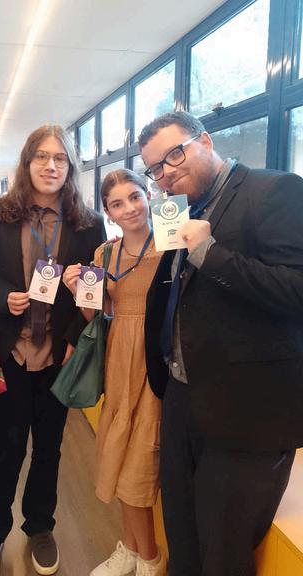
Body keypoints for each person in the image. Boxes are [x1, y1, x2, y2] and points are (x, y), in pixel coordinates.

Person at [138, 111, 303, 576]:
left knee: (223, 551)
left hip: (248, 411)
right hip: (182, 396)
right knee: (182, 531)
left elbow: (297, 290)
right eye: (155, 167)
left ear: (206, 141)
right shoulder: (183, 209)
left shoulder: (275, 191)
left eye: (175, 154)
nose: (167, 172)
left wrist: (210, 254)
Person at [0, 123, 106, 576]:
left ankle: (40, 527)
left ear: (70, 167)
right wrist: (1, 295)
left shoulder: (88, 223)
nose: (51, 166)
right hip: (11, 351)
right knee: (6, 448)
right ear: (27, 163)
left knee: (49, 448)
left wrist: (72, 339)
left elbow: (93, 290)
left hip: (57, 356)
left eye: (60, 158)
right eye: (42, 157)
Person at [63, 169, 166, 576]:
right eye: (118, 204)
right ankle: (131, 549)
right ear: (108, 212)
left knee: (140, 462)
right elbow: (96, 316)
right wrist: (77, 290)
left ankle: (150, 558)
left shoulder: (171, 244)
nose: (130, 208)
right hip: (120, 361)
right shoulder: (105, 255)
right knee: (119, 454)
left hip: (156, 362)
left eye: (135, 197)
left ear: (149, 195)